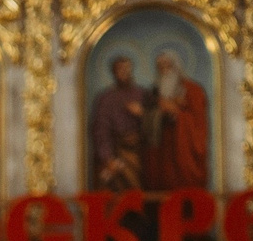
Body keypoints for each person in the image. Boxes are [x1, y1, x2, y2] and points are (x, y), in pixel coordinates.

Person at [141, 48, 210, 192]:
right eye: (160, 67)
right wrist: (155, 113)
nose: (164, 70)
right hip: (163, 151)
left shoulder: (193, 90)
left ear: (176, 66)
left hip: (183, 150)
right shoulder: (154, 92)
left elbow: (198, 124)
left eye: (168, 65)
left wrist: (176, 114)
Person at [88, 56, 147, 191]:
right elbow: (100, 129)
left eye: (127, 68)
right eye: (120, 69)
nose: (124, 72)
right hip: (116, 151)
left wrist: (143, 114)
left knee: (139, 190)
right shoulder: (106, 98)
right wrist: (108, 157)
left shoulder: (142, 94)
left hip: (140, 153)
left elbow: (154, 125)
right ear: (114, 72)